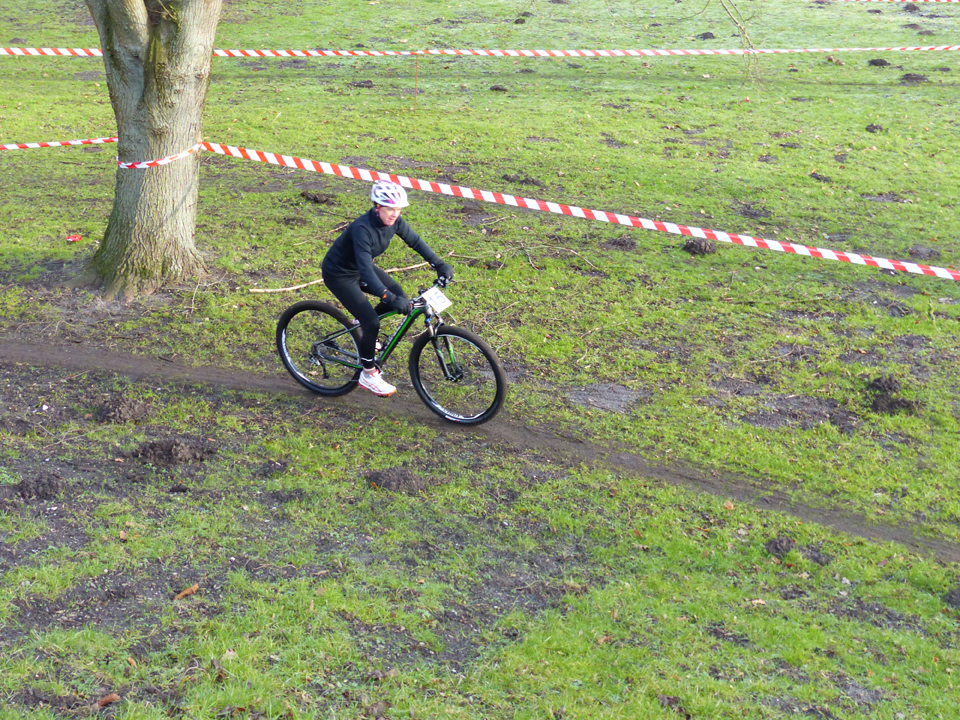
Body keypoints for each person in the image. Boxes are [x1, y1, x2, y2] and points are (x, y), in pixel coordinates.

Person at [321, 180, 453, 397]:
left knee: (400, 297)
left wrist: (438, 264)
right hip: (339, 275)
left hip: (360, 269)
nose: (394, 214)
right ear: (377, 206)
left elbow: (415, 241)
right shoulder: (362, 229)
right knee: (372, 321)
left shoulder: (395, 221)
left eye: (398, 209)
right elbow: (366, 271)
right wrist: (386, 296)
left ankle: (360, 326)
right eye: (390, 208)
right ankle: (368, 374)